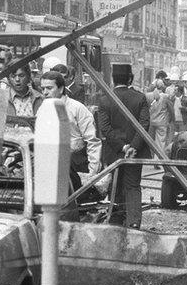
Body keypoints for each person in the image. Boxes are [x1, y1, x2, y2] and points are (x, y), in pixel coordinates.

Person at [98, 64, 149, 228]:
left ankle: (116, 220)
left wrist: (122, 147)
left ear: (113, 79)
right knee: (133, 185)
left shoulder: (105, 100)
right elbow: (144, 124)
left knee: (116, 184)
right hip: (136, 151)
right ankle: (133, 222)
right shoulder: (140, 98)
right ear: (130, 78)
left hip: (114, 151)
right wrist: (133, 146)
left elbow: (105, 128)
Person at [39, 71, 101, 195]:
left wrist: (92, 173)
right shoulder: (42, 110)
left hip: (75, 167)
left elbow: (93, 141)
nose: (45, 92)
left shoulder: (77, 109)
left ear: (61, 88)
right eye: (43, 88)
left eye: (49, 88)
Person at [147, 71, 173, 156]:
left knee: (151, 140)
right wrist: (171, 119)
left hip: (151, 121)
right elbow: (171, 109)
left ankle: (151, 155)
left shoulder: (149, 95)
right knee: (161, 141)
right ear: (163, 86)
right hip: (162, 122)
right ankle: (158, 159)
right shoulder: (165, 96)